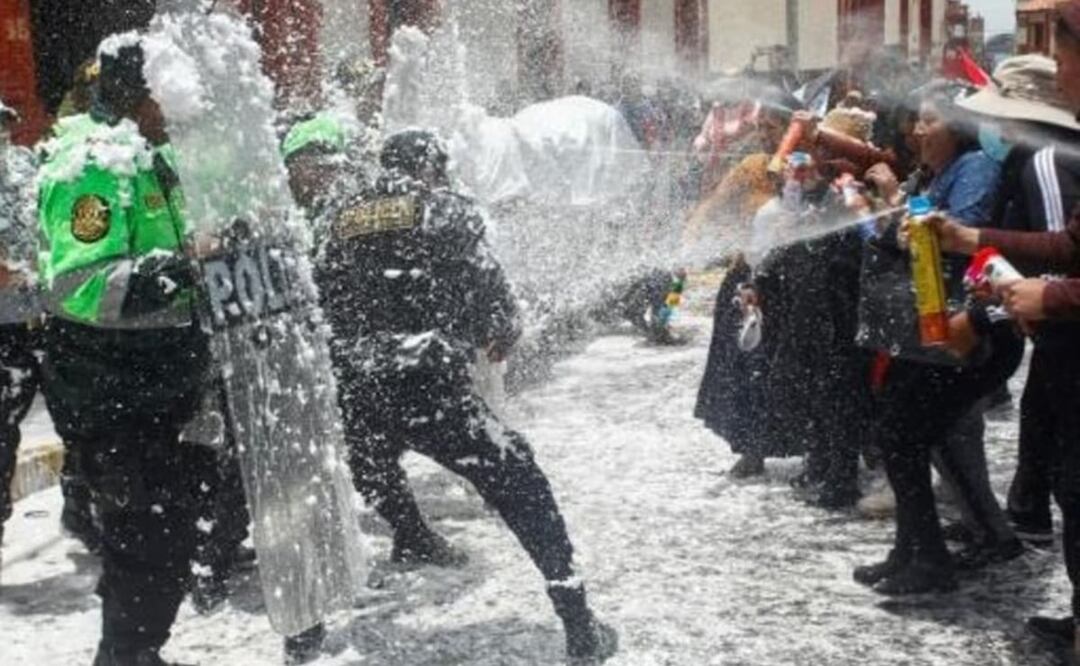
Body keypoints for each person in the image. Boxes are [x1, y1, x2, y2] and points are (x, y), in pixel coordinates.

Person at [284, 121, 618, 664]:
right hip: (426, 386)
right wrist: (494, 328)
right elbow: (496, 308)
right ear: (430, 167)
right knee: (520, 477)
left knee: (337, 485)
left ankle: (302, 635)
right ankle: (577, 619)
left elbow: (314, 295)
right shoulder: (447, 210)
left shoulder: (335, 217)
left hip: (352, 386)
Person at [37, 41, 211, 666]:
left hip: (155, 389)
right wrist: (189, 268)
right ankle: (127, 656)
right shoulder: (95, 165)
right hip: (111, 392)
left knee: (160, 537)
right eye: (172, 92)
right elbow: (82, 286)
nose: (184, 106)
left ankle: (135, 650)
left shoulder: (151, 158)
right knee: (149, 537)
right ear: (140, 93)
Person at [928, 3, 1080, 648]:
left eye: (1065, 51)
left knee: (1069, 486)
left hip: (1069, 350)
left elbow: (1062, 250)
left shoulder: (1045, 160)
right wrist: (975, 240)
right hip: (1060, 343)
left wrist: (1051, 299)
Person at [863, 83, 1023, 570]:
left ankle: (944, 551)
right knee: (917, 436)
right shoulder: (938, 172)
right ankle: (916, 549)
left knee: (924, 436)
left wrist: (893, 199)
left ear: (955, 125)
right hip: (930, 331)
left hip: (964, 330)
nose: (917, 131)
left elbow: (957, 235)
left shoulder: (973, 169)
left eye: (927, 121)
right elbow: (903, 236)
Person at [956, 54, 1080, 550]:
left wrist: (989, 313)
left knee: (1070, 475)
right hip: (1057, 331)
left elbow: (1058, 260)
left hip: (1065, 336)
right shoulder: (1034, 159)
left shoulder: (1047, 160)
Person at [0, 100, 51, 574]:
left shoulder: (25, 167)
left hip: (42, 312)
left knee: (76, 416)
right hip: (6, 320)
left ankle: (84, 510)